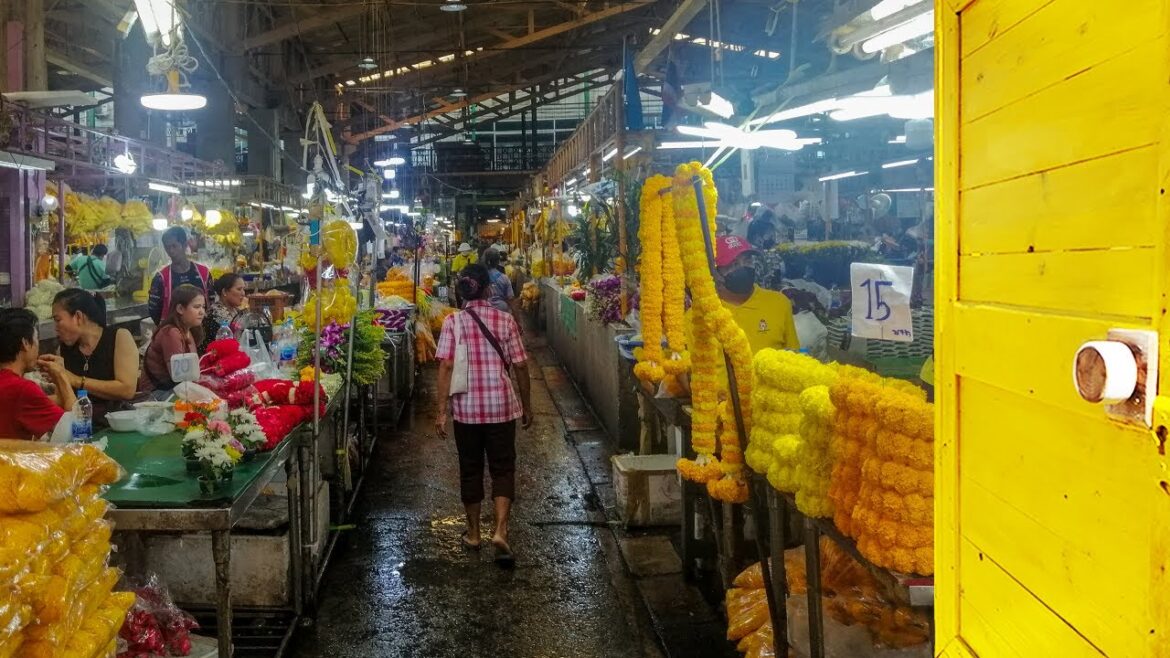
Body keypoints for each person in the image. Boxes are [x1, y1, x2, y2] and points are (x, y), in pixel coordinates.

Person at [434, 264, 533, 565]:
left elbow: (446, 366)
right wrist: (527, 405)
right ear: (488, 289)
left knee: (470, 468)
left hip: (466, 411)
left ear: (463, 291)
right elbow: (520, 365)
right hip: (501, 407)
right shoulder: (505, 320)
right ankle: (501, 530)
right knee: (503, 468)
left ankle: (475, 533)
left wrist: (441, 411)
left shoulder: (453, 322)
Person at [44, 288, 139, 428]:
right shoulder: (63, 350)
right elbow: (61, 398)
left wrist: (75, 380)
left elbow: (127, 389)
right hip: (81, 428)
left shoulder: (119, 337)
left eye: (58, 320)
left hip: (116, 424)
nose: (56, 328)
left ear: (78, 317)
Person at [710, 235, 800, 353]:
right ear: (716, 272)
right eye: (734, 264)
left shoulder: (779, 303)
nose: (743, 268)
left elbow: (794, 354)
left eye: (747, 261)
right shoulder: (703, 316)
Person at [0, 308, 76, 441]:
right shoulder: (22, 389)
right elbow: (75, 431)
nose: (37, 346)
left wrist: (58, 378)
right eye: (36, 339)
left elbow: (54, 403)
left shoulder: (10, 386)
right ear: (25, 343)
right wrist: (61, 376)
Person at [140, 285, 205, 397]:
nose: (202, 312)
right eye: (196, 307)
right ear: (180, 309)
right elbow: (180, 378)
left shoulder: (188, 330)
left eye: (203, 307)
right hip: (156, 394)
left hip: (176, 388)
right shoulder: (171, 333)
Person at [148, 226, 213, 325]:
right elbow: (154, 309)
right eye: (167, 247)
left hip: (202, 328)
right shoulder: (161, 278)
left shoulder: (204, 273)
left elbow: (211, 302)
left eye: (174, 246)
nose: (171, 251)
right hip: (173, 329)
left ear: (185, 244)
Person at [202, 273, 247, 351]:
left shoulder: (237, 311)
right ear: (225, 292)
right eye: (239, 289)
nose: (243, 293)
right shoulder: (214, 315)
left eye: (243, 289)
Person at [483, 249, 515, 313]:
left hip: (485, 309)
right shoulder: (504, 278)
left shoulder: (481, 276)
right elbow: (510, 297)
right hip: (502, 309)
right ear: (498, 261)